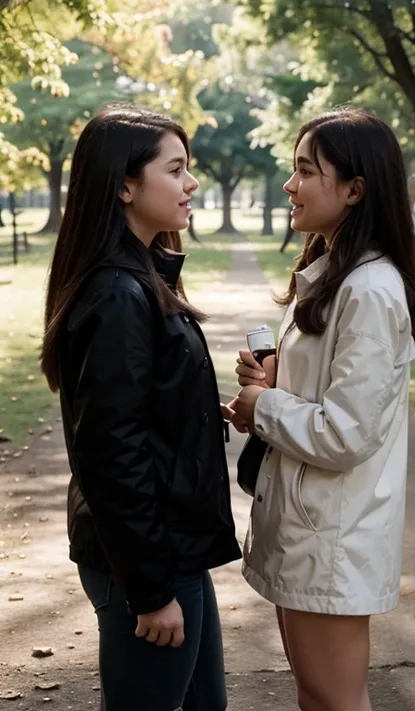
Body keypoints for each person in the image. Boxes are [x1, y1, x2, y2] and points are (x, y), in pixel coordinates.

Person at [41, 105, 241, 711]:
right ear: (125, 184)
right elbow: (111, 454)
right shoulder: (118, 293)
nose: (192, 183)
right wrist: (150, 592)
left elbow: (151, 415)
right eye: (175, 169)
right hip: (147, 559)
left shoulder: (142, 277)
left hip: (173, 548)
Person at [233, 108, 415, 711]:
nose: (290, 186)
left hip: (331, 539)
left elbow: (347, 432)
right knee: (316, 697)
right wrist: (272, 384)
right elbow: (332, 395)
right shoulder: (333, 275)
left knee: (336, 700)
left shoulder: (369, 290)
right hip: (309, 529)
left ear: (354, 189)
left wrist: (265, 404)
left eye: (304, 171)